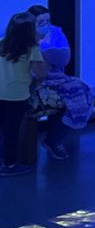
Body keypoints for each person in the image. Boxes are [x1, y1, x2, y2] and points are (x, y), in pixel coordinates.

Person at [26, 5, 95, 160]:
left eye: (47, 20)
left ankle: (54, 141)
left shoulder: (56, 32)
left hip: (56, 78)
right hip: (31, 80)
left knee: (79, 93)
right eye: (40, 22)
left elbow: (64, 58)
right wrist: (44, 56)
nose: (45, 25)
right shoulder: (21, 35)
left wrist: (44, 52)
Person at [0, 12, 46, 177]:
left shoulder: (1, 44)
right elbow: (40, 74)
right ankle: (9, 165)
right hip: (17, 95)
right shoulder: (32, 49)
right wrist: (33, 86)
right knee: (11, 130)